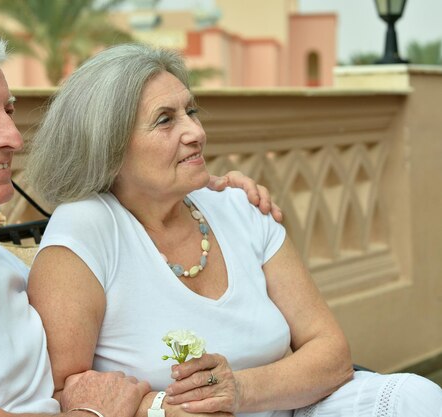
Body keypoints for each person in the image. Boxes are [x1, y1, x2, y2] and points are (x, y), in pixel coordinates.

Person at [0, 20, 278, 417]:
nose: (13, 136)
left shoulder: (0, 263)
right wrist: (97, 409)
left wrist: (207, 194)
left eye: (10, 111)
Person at [26, 43, 442, 417]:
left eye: (191, 111)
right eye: (165, 120)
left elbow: (331, 354)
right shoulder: (87, 230)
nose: (196, 133)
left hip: (292, 407)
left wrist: (238, 390)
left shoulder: (239, 206)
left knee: (417, 398)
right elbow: (67, 394)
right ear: (108, 147)